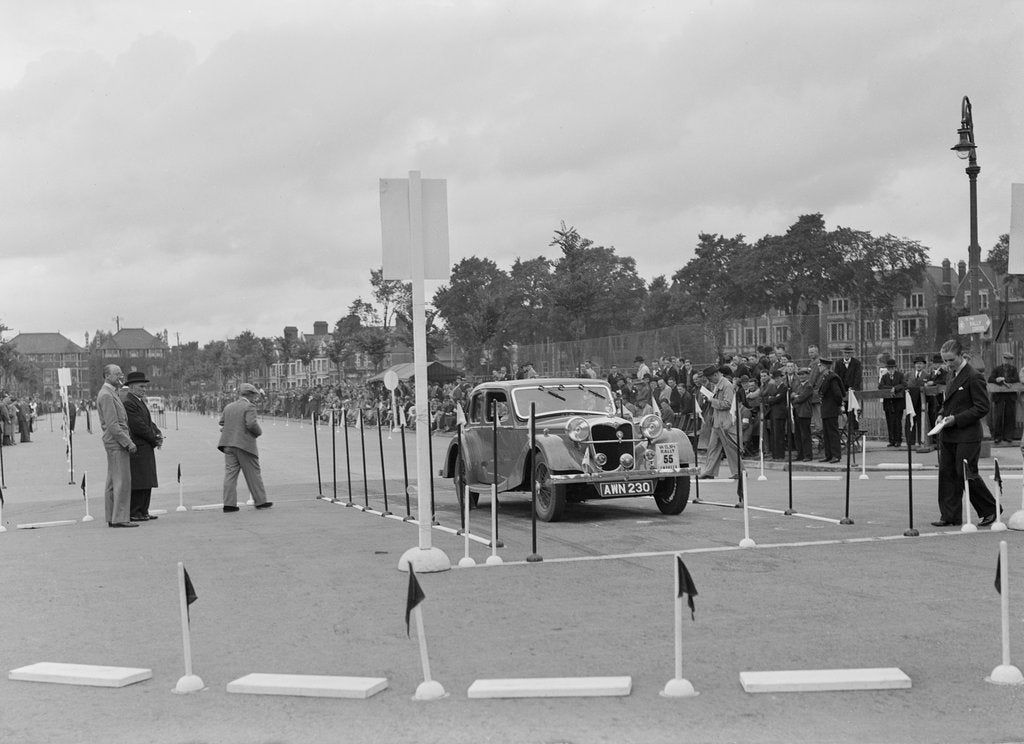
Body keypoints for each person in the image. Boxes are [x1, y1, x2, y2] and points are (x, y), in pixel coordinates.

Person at [932, 339, 997, 527]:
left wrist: (956, 419)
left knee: (965, 473)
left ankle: (990, 510)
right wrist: (941, 415)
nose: (947, 364)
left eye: (951, 360)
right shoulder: (951, 375)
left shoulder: (973, 376)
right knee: (947, 473)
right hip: (949, 433)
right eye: (945, 360)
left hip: (967, 434)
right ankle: (949, 515)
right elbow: (948, 402)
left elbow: (982, 407)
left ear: (961, 355)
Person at [218, 383, 273, 513]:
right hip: (244, 445)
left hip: (228, 444)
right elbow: (251, 424)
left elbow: (221, 422)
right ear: (250, 395)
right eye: (254, 395)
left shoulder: (229, 406)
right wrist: (259, 432)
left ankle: (229, 504)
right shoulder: (249, 406)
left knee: (230, 475)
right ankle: (260, 501)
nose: (255, 398)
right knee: (253, 474)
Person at [96, 364, 138, 527]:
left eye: (121, 374)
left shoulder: (109, 393)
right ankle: (120, 517)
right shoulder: (107, 395)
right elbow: (113, 425)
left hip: (113, 442)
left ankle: (112, 516)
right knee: (122, 480)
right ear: (107, 376)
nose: (121, 377)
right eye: (117, 374)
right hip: (117, 442)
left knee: (113, 481)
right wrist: (128, 443)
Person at [119, 371, 163, 522]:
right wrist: (154, 439)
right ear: (131, 387)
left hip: (146, 446)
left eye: (145, 386)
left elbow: (148, 422)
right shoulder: (129, 402)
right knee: (139, 480)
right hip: (139, 447)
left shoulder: (139, 401)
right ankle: (135, 511)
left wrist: (157, 432)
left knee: (147, 479)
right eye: (141, 386)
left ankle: (144, 510)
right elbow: (138, 426)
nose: (144, 389)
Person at [697, 366, 740, 480]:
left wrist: (712, 400)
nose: (710, 381)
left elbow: (728, 404)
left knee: (730, 448)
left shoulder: (727, 386)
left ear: (716, 375)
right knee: (712, 447)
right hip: (718, 421)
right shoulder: (718, 385)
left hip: (725, 422)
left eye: (710, 378)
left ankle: (739, 471)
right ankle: (709, 471)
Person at [988, 351, 1020, 444]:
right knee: (998, 416)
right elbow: (990, 379)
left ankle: (1008, 436)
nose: (1007, 361)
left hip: (1010, 396)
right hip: (999, 396)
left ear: (1011, 361)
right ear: (1003, 359)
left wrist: (1005, 379)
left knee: (1010, 416)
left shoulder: (1013, 369)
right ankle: (997, 437)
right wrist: (997, 380)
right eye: (1006, 359)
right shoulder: (997, 369)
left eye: (1009, 359)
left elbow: (1016, 379)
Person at [818, 358, 845, 463]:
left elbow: (838, 394)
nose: (819, 367)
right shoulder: (825, 377)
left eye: (820, 365)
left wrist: (838, 405)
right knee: (827, 434)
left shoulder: (832, 378)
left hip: (831, 409)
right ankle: (828, 455)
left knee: (833, 433)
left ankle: (836, 455)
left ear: (825, 367)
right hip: (826, 409)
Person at [835, 344, 863, 432]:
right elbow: (837, 377)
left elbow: (858, 377)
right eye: (845, 353)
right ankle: (848, 429)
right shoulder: (838, 363)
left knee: (853, 411)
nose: (847, 354)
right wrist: (840, 390)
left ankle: (854, 430)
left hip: (853, 391)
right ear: (843, 353)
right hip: (843, 391)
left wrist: (854, 388)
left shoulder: (856, 363)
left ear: (851, 354)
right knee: (844, 410)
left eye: (849, 353)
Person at [879, 358, 906, 447]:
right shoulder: (884, 376)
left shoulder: (900, 375)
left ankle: (898, 440)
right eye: (889, 368)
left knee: (897, 422)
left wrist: (896, 388)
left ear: (895, 368)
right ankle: (891, 440)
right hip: (888, 403)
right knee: (890, 422)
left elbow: (903, 384)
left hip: (898, 403)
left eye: (892, 368)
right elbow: (880, 386)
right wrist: (890, 388)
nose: (891, 370)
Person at [790, 368, 814, 462]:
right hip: (797, 412)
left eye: (803, 375)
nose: (801, 376)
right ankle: (800, 454)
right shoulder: (799, 386)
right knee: (798, 435)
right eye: (800, 375)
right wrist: (796, 397)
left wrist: (795, 396)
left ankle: (808, 455)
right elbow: (793, 398)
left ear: (807, 375)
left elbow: (801, 398)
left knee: (805, 435)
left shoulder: (808, 386)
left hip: (804, 413)